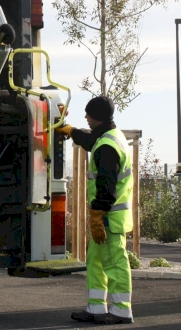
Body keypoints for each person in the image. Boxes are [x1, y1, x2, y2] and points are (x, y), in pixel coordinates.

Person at [56, 96, 134, 325]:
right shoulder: (109, 138)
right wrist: (71, 131)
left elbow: (106, 187)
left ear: (96, 117)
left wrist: (98, 215)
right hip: (108, 218)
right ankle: (96, 308)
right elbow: (91, 141)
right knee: (97, 263)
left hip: (109, 219)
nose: (85, 117)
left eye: (87, 114)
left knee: (115, 264)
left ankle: (121, 311)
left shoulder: (107, 148)